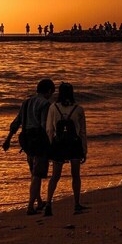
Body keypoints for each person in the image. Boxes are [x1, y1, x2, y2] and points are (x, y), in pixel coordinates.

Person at [2, 79, 55, 215]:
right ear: (48, 91)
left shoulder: (26, 102)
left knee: (33, 171)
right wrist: (51, 143)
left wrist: (8, 139)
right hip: (39, 140)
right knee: (38, 173)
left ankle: (39, 201)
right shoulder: (45, 104)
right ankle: (30, 206)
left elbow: (16, 122)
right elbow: (45, 126)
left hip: (26, 140)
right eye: (51, 92)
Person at [43, 82, 87, 216]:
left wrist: (49, 147)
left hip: (58, 145)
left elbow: (49, 129)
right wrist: (84, 149)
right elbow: (82, 132)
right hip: (74, 145)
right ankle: (76, 204)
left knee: (55, 176)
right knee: (75, 175)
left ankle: (49, 203)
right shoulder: (78, 109)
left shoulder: (53, 107)